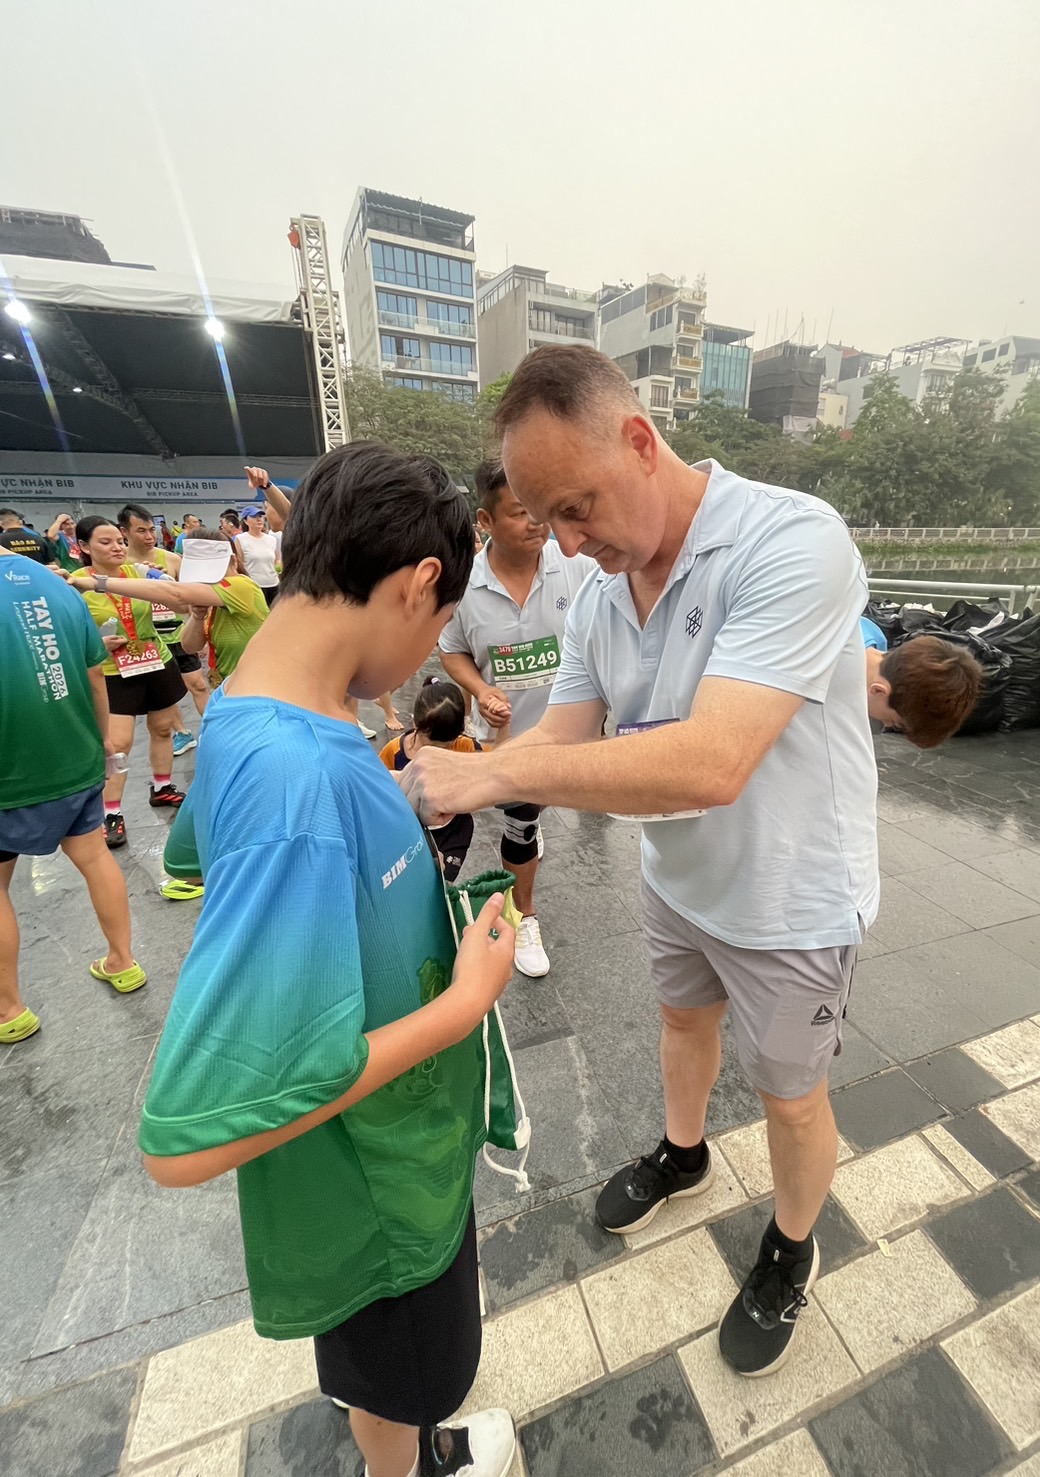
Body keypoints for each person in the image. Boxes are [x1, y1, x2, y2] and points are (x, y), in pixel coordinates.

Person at [400, 344, 881, 1380]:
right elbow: (563, 736)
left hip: (790, 894)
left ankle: (791, 1248)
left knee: (791, 1095)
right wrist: (456, 769)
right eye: (549, 521)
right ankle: (684, 1150)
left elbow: (712, 763)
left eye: (576, 507)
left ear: (638, 439)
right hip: (678, 878)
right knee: (681, 1023)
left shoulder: (790, 541)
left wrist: (487, 777)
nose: (571, 542)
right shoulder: (600, 595)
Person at [138, 442, 518, 1477]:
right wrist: (464, 1003)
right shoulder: (296, 780)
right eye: (441, 623)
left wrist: (374, 806)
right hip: (380, 1190)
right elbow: (187, 1142)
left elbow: (194, 854)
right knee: (407, 1380)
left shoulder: (262, 706)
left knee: (379, 1382)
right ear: (419, 583)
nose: (432, 646)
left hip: (379, 1163)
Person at [438, 459, 597, 978]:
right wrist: (481, 689)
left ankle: (531, 822)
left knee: (535, 807)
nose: (537, 523)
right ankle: (525, 914)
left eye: (540, 510)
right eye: (520, 512)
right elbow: (451, 650)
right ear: (484, 520)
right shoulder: (464, 586)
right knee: (521, 822)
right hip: (506, 738)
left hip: (567, 732)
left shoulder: (576, 566)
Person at [0, 548, 146, 1041]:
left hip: (10, 770)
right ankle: (123, 961)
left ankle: (9, 1009)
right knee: (94, 856)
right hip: (76, 753)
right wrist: (101, 742)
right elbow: (95, 675)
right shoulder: (57, 585)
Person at [69, 517, 187, 847]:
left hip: (154, 659)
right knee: (118, 744)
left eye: (120, 541)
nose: (117, 547)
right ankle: (111, 813)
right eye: (105, 542)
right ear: (84, 547)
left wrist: (163, 578)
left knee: (162, 728)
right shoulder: (74, 584)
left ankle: (162, 787)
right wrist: (94, 644)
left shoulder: (140, 573)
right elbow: (65, 632)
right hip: (111, 671)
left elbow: (173, 595)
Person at [85, 529, 269, 690]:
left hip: (255, 685)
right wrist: (197, 617)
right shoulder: (211, 597)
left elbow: (175, 594)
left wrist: (98, 583)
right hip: (230, 685)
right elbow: (190, 646)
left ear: (233, 561)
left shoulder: (242, 586)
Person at [116, 502, 207, 755]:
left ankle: (215, 729)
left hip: (178, 633)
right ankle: (181, 732)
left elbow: (192, 596)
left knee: (198, 683)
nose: (149, 536)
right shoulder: (120, 567)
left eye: (151, 530)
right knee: (165, 695)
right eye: (141, 531)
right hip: (147, 640)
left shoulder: (171, 559)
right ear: (124, 532)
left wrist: (199, 630)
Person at [379, 678, 482, 883]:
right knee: (409, 882)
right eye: (429, 745)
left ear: (461, 731)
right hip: (407, 830)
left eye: (446, 747)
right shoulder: (394, 751)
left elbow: (490, 781)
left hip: (452, 831)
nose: (435, 754)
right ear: (414, 723)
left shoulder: (467, 748)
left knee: (440, 881)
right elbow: (378, 794)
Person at [861, 618, 981, 746]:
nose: (887, 724)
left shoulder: (875, 638)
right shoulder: (846, 638)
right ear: (878, 690)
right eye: (893, 721)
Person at [235, 505, 281, 605]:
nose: (259, 519)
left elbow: (277, 560)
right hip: (254, 586)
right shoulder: (241, 539)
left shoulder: (272, 539)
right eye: (254, 517)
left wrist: (279, 571)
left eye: (260, 516)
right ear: (246, 521)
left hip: (273, 584)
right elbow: (239, 564)